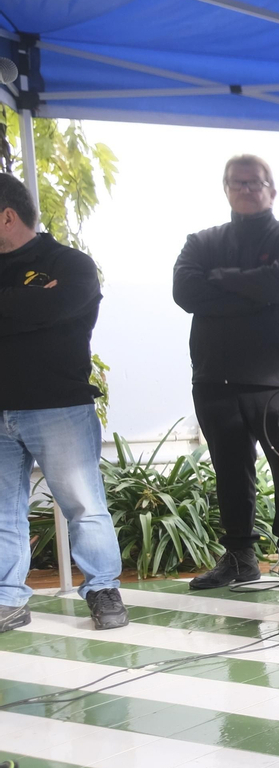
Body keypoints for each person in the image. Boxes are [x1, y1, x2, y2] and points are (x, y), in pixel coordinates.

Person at [173, 154, 279, 591]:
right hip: (215, 379)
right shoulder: (201, 242)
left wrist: (220, 281)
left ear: (272, 190)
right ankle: (240, 559)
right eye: (238, 182)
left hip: (278, 379)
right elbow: (185, 292)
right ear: (225, 189)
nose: (246, 189)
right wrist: (256, 291)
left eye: (255, 182)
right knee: (231, 474)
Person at [0, 174, 127, 631]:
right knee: (2, 511)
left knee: (82, 504)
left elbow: (56, 310)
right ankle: (7, 599)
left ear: (7, 217)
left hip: (58, 407)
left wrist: (29, 306)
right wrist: (30, 302)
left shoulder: (70, 264)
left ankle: (102, 589)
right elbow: (37, 311)